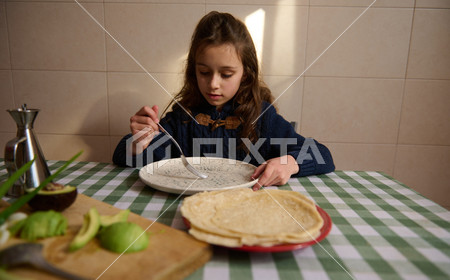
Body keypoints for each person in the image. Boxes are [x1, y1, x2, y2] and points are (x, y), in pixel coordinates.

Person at [113, 11, 334, 191]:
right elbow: (133, 158)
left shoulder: (263, 117)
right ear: (193, 71)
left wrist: (288, 163)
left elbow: (322, 154)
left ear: (245, 74)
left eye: (226, 74)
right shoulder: (183, 116)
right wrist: (137, 144)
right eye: (204, 72)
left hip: (249, 209)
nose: (213, 84)